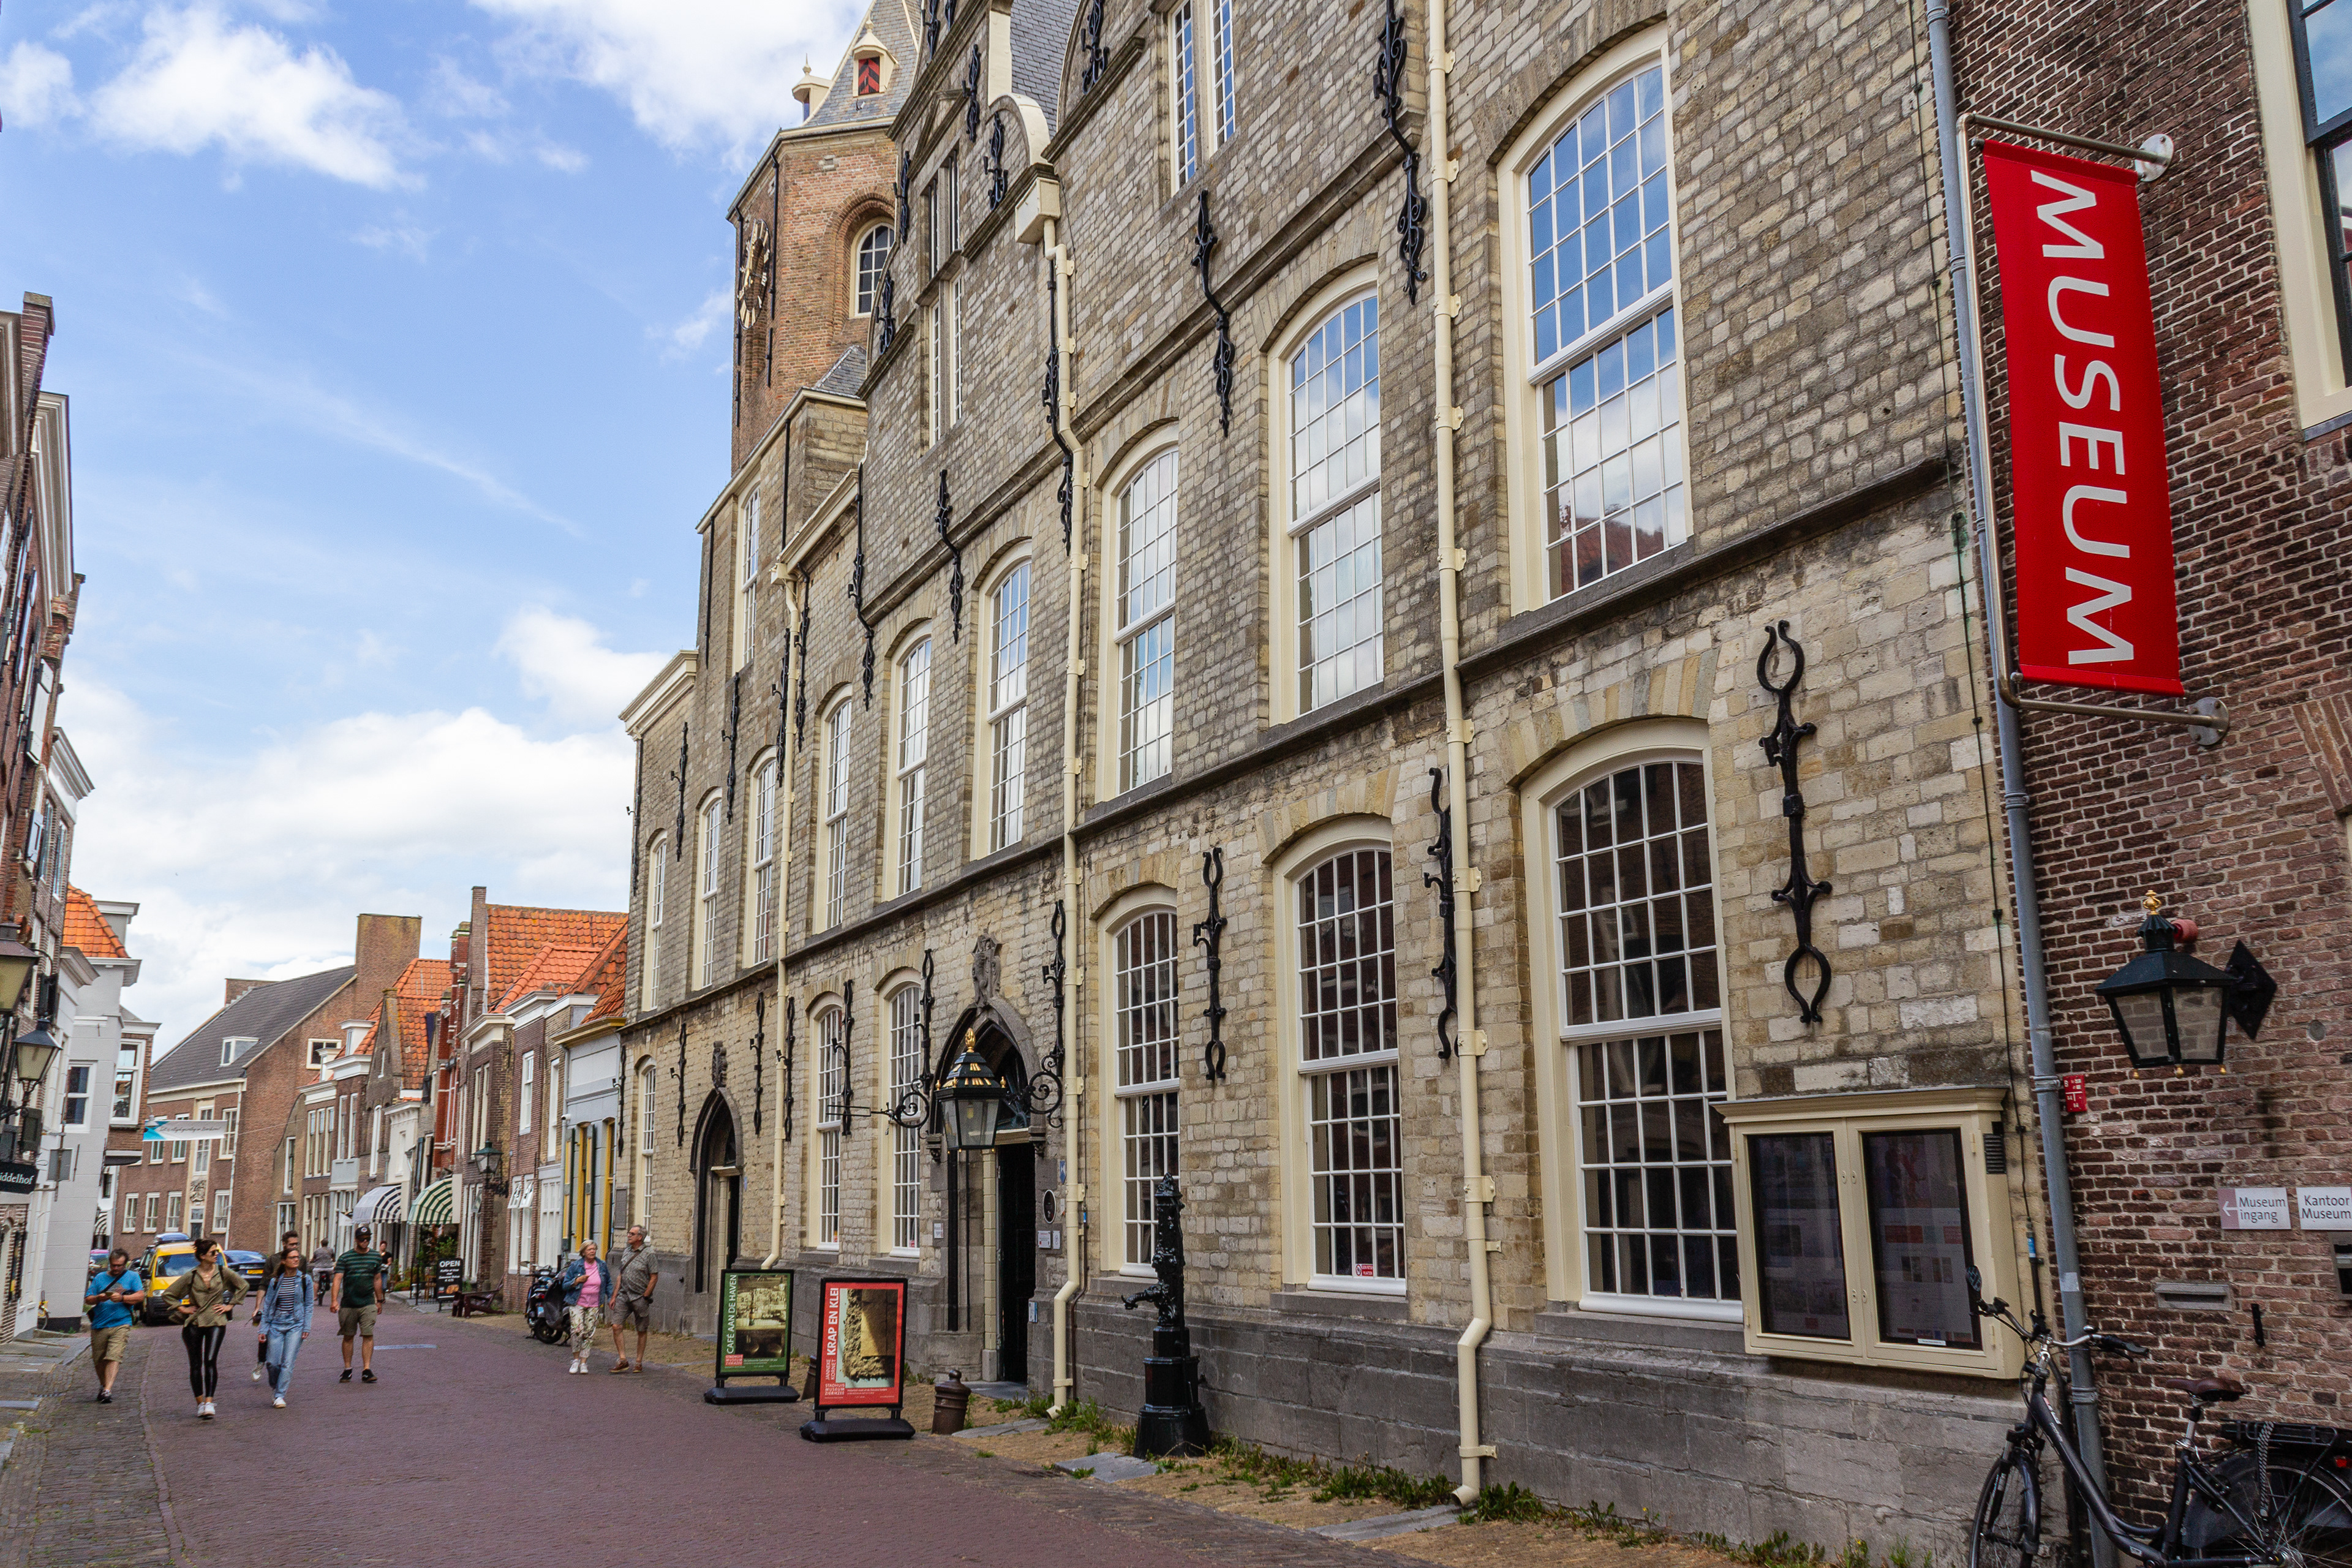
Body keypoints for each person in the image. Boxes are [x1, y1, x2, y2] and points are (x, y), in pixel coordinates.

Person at [155, 1237, 247, 1420]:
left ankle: (209, 1402)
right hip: (194, 1322)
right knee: (196, 1363)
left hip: (216, 1320)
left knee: (210, 1360)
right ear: (203, 1256)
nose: (216, 1255)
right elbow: (169, 1294)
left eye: (217, 1252)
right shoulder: (192, 1275)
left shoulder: (222, 1272)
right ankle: (200, 1404)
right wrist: (183, 1308)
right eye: (213, 1252)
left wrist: (230, 1305)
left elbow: (243, 1286)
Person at [82, 1248, 145, 1403]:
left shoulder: (132, 1277)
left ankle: (107, 1391)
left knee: (114, 1356)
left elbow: (140, 1296)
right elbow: (88, 1299)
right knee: (99, 1360)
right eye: (113, 1265)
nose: (116, 1268)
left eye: (119, 1265)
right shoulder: (100, 1278)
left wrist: (123, 1298)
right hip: (100, 1324)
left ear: (125, 1264)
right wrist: (98, 1298)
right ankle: (104, 1386)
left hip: (121, 1323)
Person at [254, 1247, 312, 1409]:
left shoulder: (305, 1280)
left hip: (296, 1324)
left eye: (297, 1257)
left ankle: (279, 1395)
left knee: (288, 1363)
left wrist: (307, 1326)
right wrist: (263, 1329)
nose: (296, 1260)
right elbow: (268, 1306)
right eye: (292, 1257)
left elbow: (309, 1305)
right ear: (284, 1261)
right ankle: (276, 1385)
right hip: (276, 1325)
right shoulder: (275, 1281)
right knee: (272, 1363)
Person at [330, 1226, 389, 1384]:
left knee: (368, 1334)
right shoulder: (345, 1258)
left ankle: (366, 1370)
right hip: (349, 1303)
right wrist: (334, 1300)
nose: (365, 1241)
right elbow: (338, 1279)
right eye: (362, 1239)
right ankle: (347, 1369)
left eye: (368, 1238)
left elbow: (377, 1279)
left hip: (367, 1303)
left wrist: (379, 1300)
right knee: (348, 1336)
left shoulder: (375, 1257)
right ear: (356, 1240)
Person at [606, 1226, 658, 1373]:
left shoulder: (649, 1254)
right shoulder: (627, 1251)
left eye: (632, 1234)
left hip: (640, 1297)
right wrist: (614, 1296)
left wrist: (646, 1296)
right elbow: (621, 1275)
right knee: (616, 1326)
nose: (628, 1235)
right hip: (624, 1295)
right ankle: (623, 1359)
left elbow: (654, 1276)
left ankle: (639, 1362)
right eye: (629, 1233)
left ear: (640, 1237)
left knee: (641, 1330)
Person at [557, 1240, 611, 1375]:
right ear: (583, 1252)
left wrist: (611, 1297)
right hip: (577, 1303)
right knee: (577, 1331)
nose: (592, 1251)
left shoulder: (602, 1265)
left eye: (594, 1249)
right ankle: (575, 1360)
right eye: (589, 1249)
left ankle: (584, 1363)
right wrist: (576, 1281)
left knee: (589, 1333)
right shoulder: (576, 1266)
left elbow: (608, 1283)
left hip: (594, 1304)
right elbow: (565, 1285)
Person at [255, 1228, 300, 1383]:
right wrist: (258, 1307)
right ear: (284, 1245)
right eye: (291, 1244)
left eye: (296, 1244)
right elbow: (264, 1284)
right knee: (266, 1337)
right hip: (274, 1307)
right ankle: (262, 1361)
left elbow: (303, 1283)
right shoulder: (273, 1260)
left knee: (287, 1345)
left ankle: (281, 1373)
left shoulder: (301, 1259)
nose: (295, 1247)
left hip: (293, 1310)